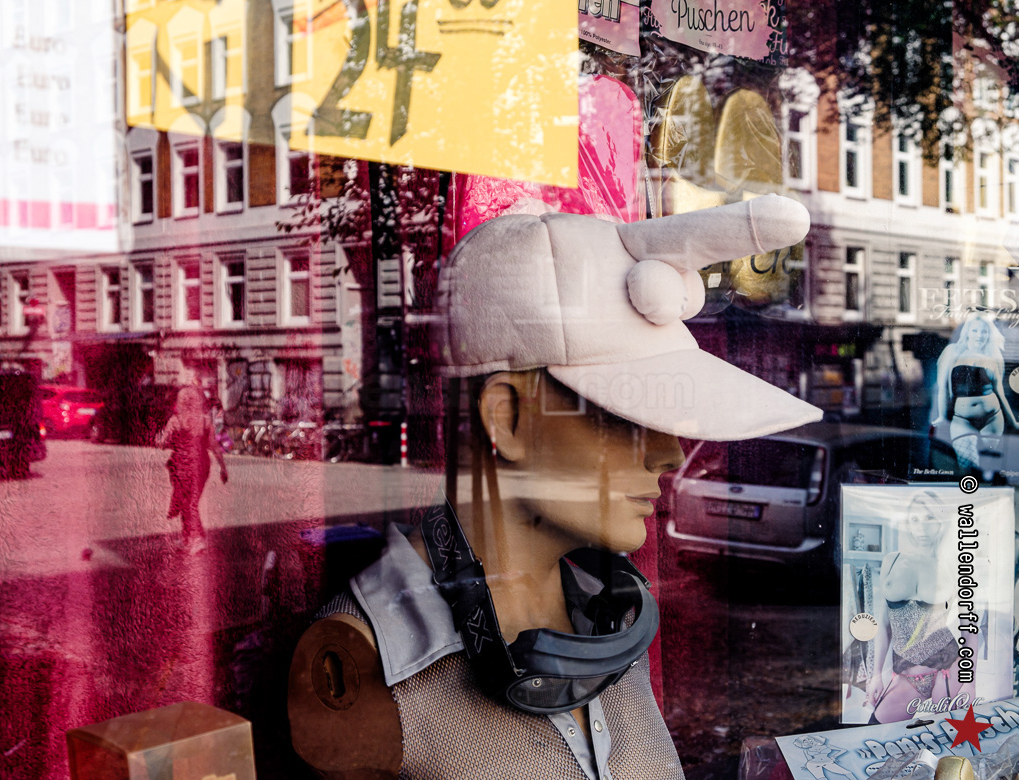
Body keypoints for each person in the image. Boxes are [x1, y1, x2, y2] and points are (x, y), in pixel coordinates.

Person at [287, 195, 819, 779]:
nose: (669, 454)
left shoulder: (610, 622)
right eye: (626, 417)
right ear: (508, 419)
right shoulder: (369, 666)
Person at [865, 490, 972, 723]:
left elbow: (969, 628)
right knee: (876, 729)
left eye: (930, 518)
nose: (922, 528)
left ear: (941, 521)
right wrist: (876, 676)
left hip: (947, 666)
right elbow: (883, 625)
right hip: (906, 673)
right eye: (915, 519)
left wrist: (970, 682)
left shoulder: (953, 565)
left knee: (944, 734)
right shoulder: (891, 560)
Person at [932, 314, 1018, 471]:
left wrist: (1012, 422)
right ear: (967, 332)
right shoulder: (953, 351)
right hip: (961, 420)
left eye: (984, 332)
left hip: (993, 418)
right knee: (967, 466)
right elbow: (942, 386)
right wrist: (942, 417)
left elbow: (999, 392)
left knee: (988, 467)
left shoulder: (994, 355)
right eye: (975, 330)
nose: (980, 335)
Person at [157, 386, 229, 554]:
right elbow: (214, 446)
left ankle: (197, 539)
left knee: (188, 503)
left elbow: (163, 443)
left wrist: (159, 440)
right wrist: (223, 468)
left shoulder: (176, 420)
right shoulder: (205, 421)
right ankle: (187, 537)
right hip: (202, 464)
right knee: (190, 502)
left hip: (182, 465)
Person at [791, 735, 857, 780]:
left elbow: (843, 750)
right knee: (821, 778)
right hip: (813, 764)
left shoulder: (827, 746)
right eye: (805, 742)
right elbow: (809, 759)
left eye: (809, 739)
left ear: (814, 739)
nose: (808, 742)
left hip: (828, 762)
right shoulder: (806, 750)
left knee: (847, 772)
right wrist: (806, 766)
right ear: (803, 744)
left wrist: (834, 756)